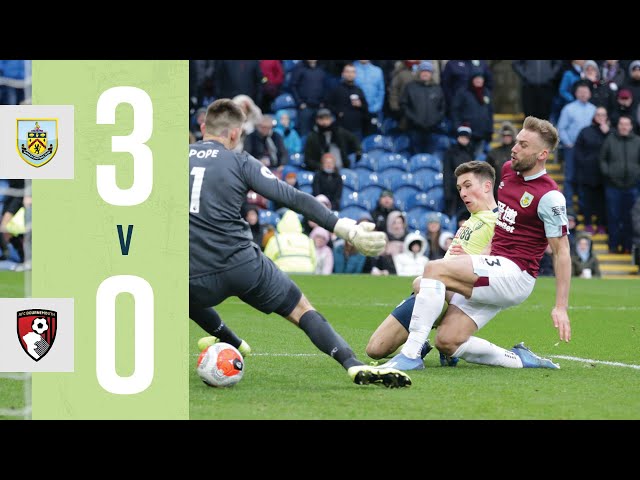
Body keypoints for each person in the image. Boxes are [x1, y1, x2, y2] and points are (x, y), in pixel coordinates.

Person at [189, 98, 411, 388]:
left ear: (203, 126)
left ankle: (230, 340)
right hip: (242, 264)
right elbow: (292, 198)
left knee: (176, 289)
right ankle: (352, 364)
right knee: (301, 309)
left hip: (194, 272)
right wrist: (345, 229)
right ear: (235, 134)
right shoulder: (240, 161)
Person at [381, 116, 571, 371]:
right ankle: (519, 359)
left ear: (542, 154)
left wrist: (560, 307)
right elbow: (504, 228)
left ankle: (411, 354)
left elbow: (562, 253)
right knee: (447, 341)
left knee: (433, 271)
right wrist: (478, 254)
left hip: (516, 274)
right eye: (516, 142)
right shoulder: (507, 171)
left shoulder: (550, 196)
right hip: (496, 267)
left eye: (524, 145)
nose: (515, 149)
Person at [366, 161, 499, 365]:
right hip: (434, 291)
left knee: (421, 282)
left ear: (487, 186)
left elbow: (495, 265)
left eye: (467, 185)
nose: (462, 193)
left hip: (455, 295)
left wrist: (467, 261)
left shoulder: (499, 222)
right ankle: (424, 343)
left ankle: (436, 341)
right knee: (374, 349)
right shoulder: (470, 219)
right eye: (459, 188)